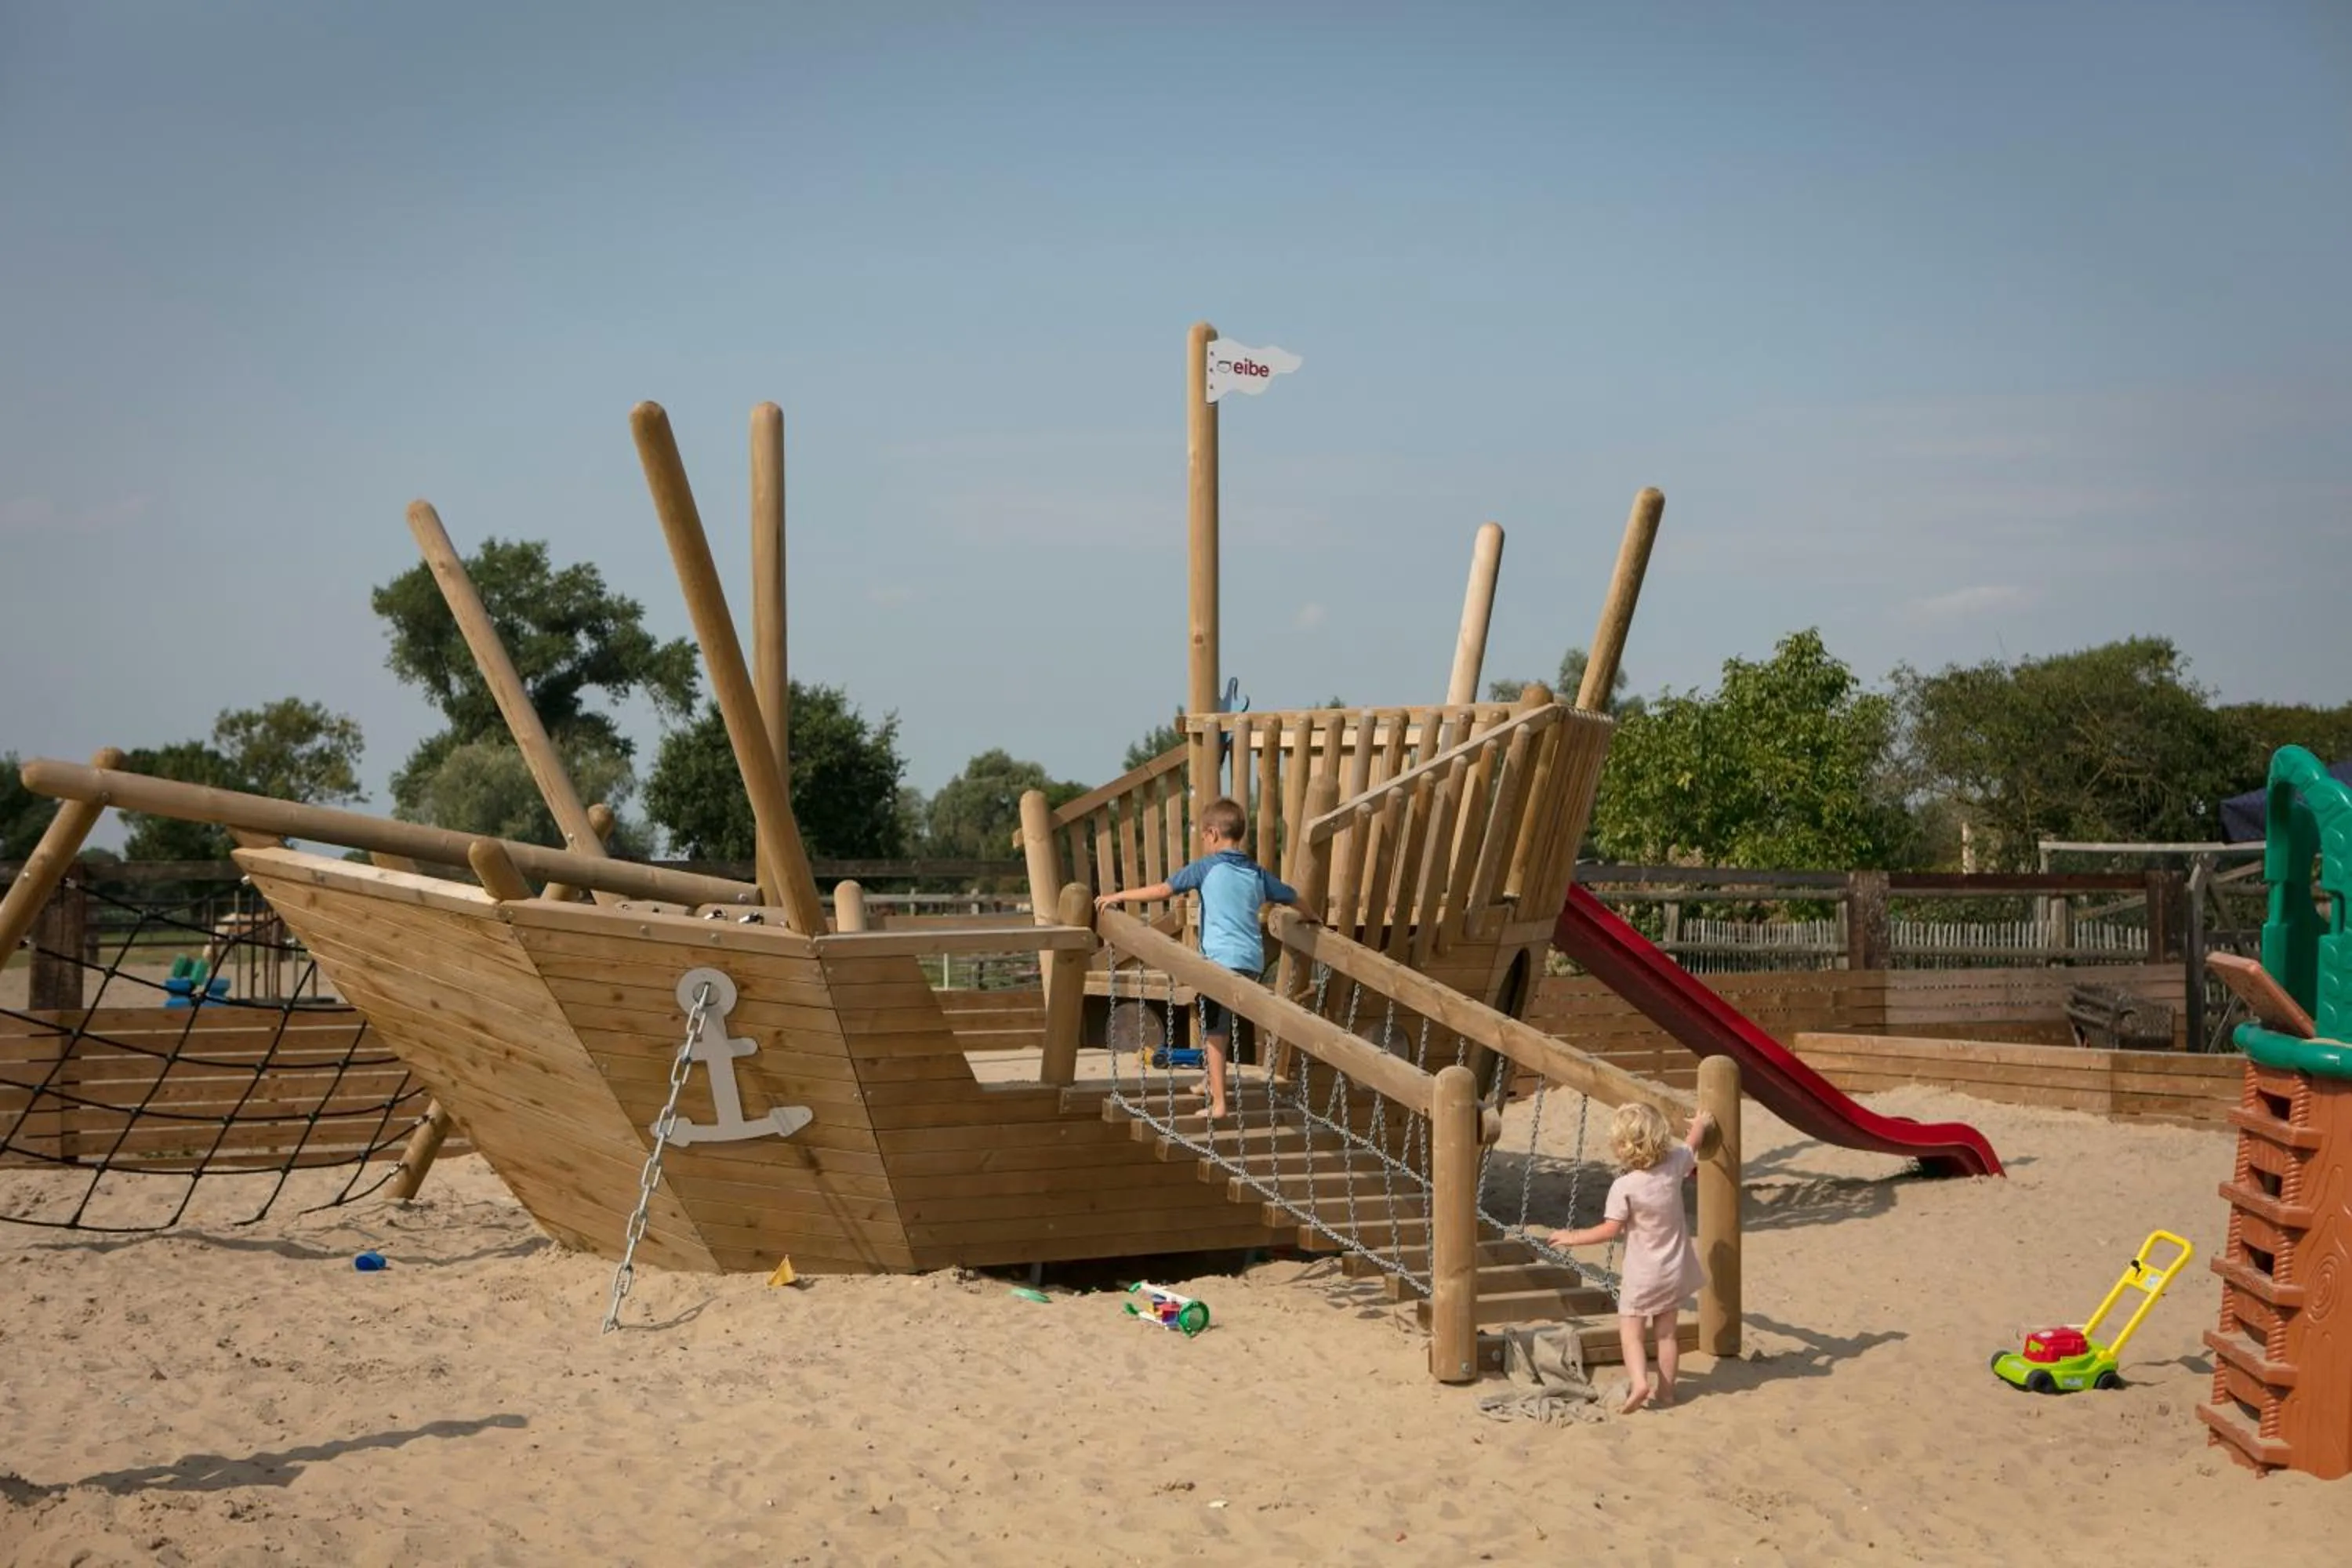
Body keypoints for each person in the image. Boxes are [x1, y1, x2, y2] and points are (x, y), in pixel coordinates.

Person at [1094, 797, 1316, 1120]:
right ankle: (1206, 1081)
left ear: (1212, 834)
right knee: (1222, 1023)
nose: (1202, 842)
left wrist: (1119, 896)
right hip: (1251, 963)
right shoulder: (1256, 872)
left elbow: (1162, 890)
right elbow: (1294, 896)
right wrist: (1314, 918)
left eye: (1202, 836)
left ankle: (1220, 1105)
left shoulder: (1206, 867)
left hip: (1217, 964)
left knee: (1214, 1031)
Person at [1547, 1101, 1714, 1414]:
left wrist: (1572, 1237)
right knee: (1666, 1335)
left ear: (1622, 1147)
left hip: (1643, 1274)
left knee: (1632, 1336)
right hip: (1675, 1268)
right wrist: (1701, 1123)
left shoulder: (1624, 1186)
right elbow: (1693, 1144)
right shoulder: (1676, 1164)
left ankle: (1639, 1382)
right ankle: (1666, 1394)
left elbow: (1610, 1230)